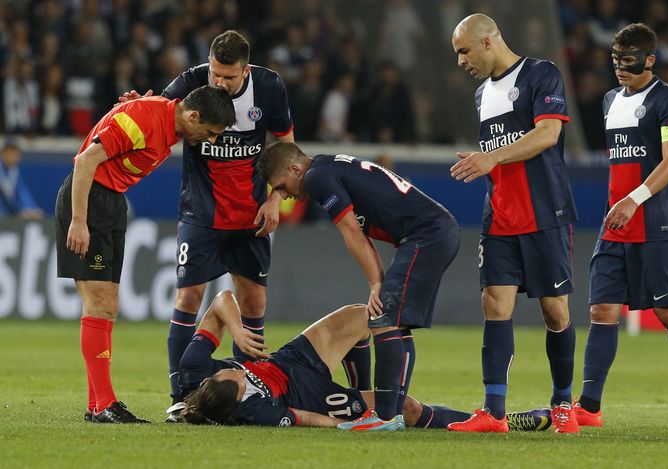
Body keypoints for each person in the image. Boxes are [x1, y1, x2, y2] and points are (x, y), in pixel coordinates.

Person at [118, 30, 296, 420]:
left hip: (251, 216)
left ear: (245, 70)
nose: (220, 82)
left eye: (229, 77)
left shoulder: (268, 87)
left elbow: (285, 146)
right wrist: (134, 106)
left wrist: (274, 198)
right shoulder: (193, 82)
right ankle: (181, 393)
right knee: (188, 298)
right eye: (216, 73)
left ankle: (246, 386)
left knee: (253, 301)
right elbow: (156, 112)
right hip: (201, 213)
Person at [55, 85, 235, 423]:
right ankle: (103, 404)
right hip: (90, 200)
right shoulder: (147, 119)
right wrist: (79, 220)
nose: (209, 140)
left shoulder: (161, 120)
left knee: (108, 304)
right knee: (99, 302)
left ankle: (99, 405)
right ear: (193, 116)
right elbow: (85, 160)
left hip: (109, 203)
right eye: (209, 132)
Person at [257, 142, 461, 431]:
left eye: (281, 186)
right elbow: (362, 235)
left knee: (384, 318)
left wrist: (377, 282)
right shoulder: (327, 168)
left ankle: (386, 416)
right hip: (431, 233)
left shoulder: (316, 178)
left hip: (427, 234)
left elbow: (351, 232)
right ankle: (392, 414)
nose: (285, 194)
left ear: (294, 169)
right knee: (390, 320)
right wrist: (376, 281)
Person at [575, 23, 668, 429]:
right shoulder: (608, 101)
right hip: (615, 223)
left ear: (650, 60)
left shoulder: (667, 99)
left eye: (629, 60)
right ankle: (588, 406)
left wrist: (633, 199)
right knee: (602, 309)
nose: (620, 67)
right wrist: (619, 205)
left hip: (656, 223)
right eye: (615, 59)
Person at [447, 14, 579, 434]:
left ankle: (562, 404)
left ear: (488, 42)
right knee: (494, 303)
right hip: (500, 215)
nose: (460, 61)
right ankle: (494, 412)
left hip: (544, 212)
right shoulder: (482, 93)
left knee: (555, 312)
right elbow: (500, 149)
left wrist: (490, 158)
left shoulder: (542, 74)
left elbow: (547, 135)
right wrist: (487, 161)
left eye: (464, 51)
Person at [178, 290, 551, 432]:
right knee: (405, 407)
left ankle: (362, 392)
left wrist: (238, 331)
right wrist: (346, 424)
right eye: (240, 379)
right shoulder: (255, 413)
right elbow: (304, 418)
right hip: (308, 395)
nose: (234, 368)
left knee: (363, 315)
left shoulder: (197, 372)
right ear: (240, 398)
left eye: (229, 370)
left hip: (291, 359)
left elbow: (221, 300)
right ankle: (493, 422)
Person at [0, 141, 44, 220]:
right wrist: (19, 211)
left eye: (16, 155)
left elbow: (22, 193)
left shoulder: (14, 171)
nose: (16, 158)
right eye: (12, 154)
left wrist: (31, 209)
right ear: (4, 154)